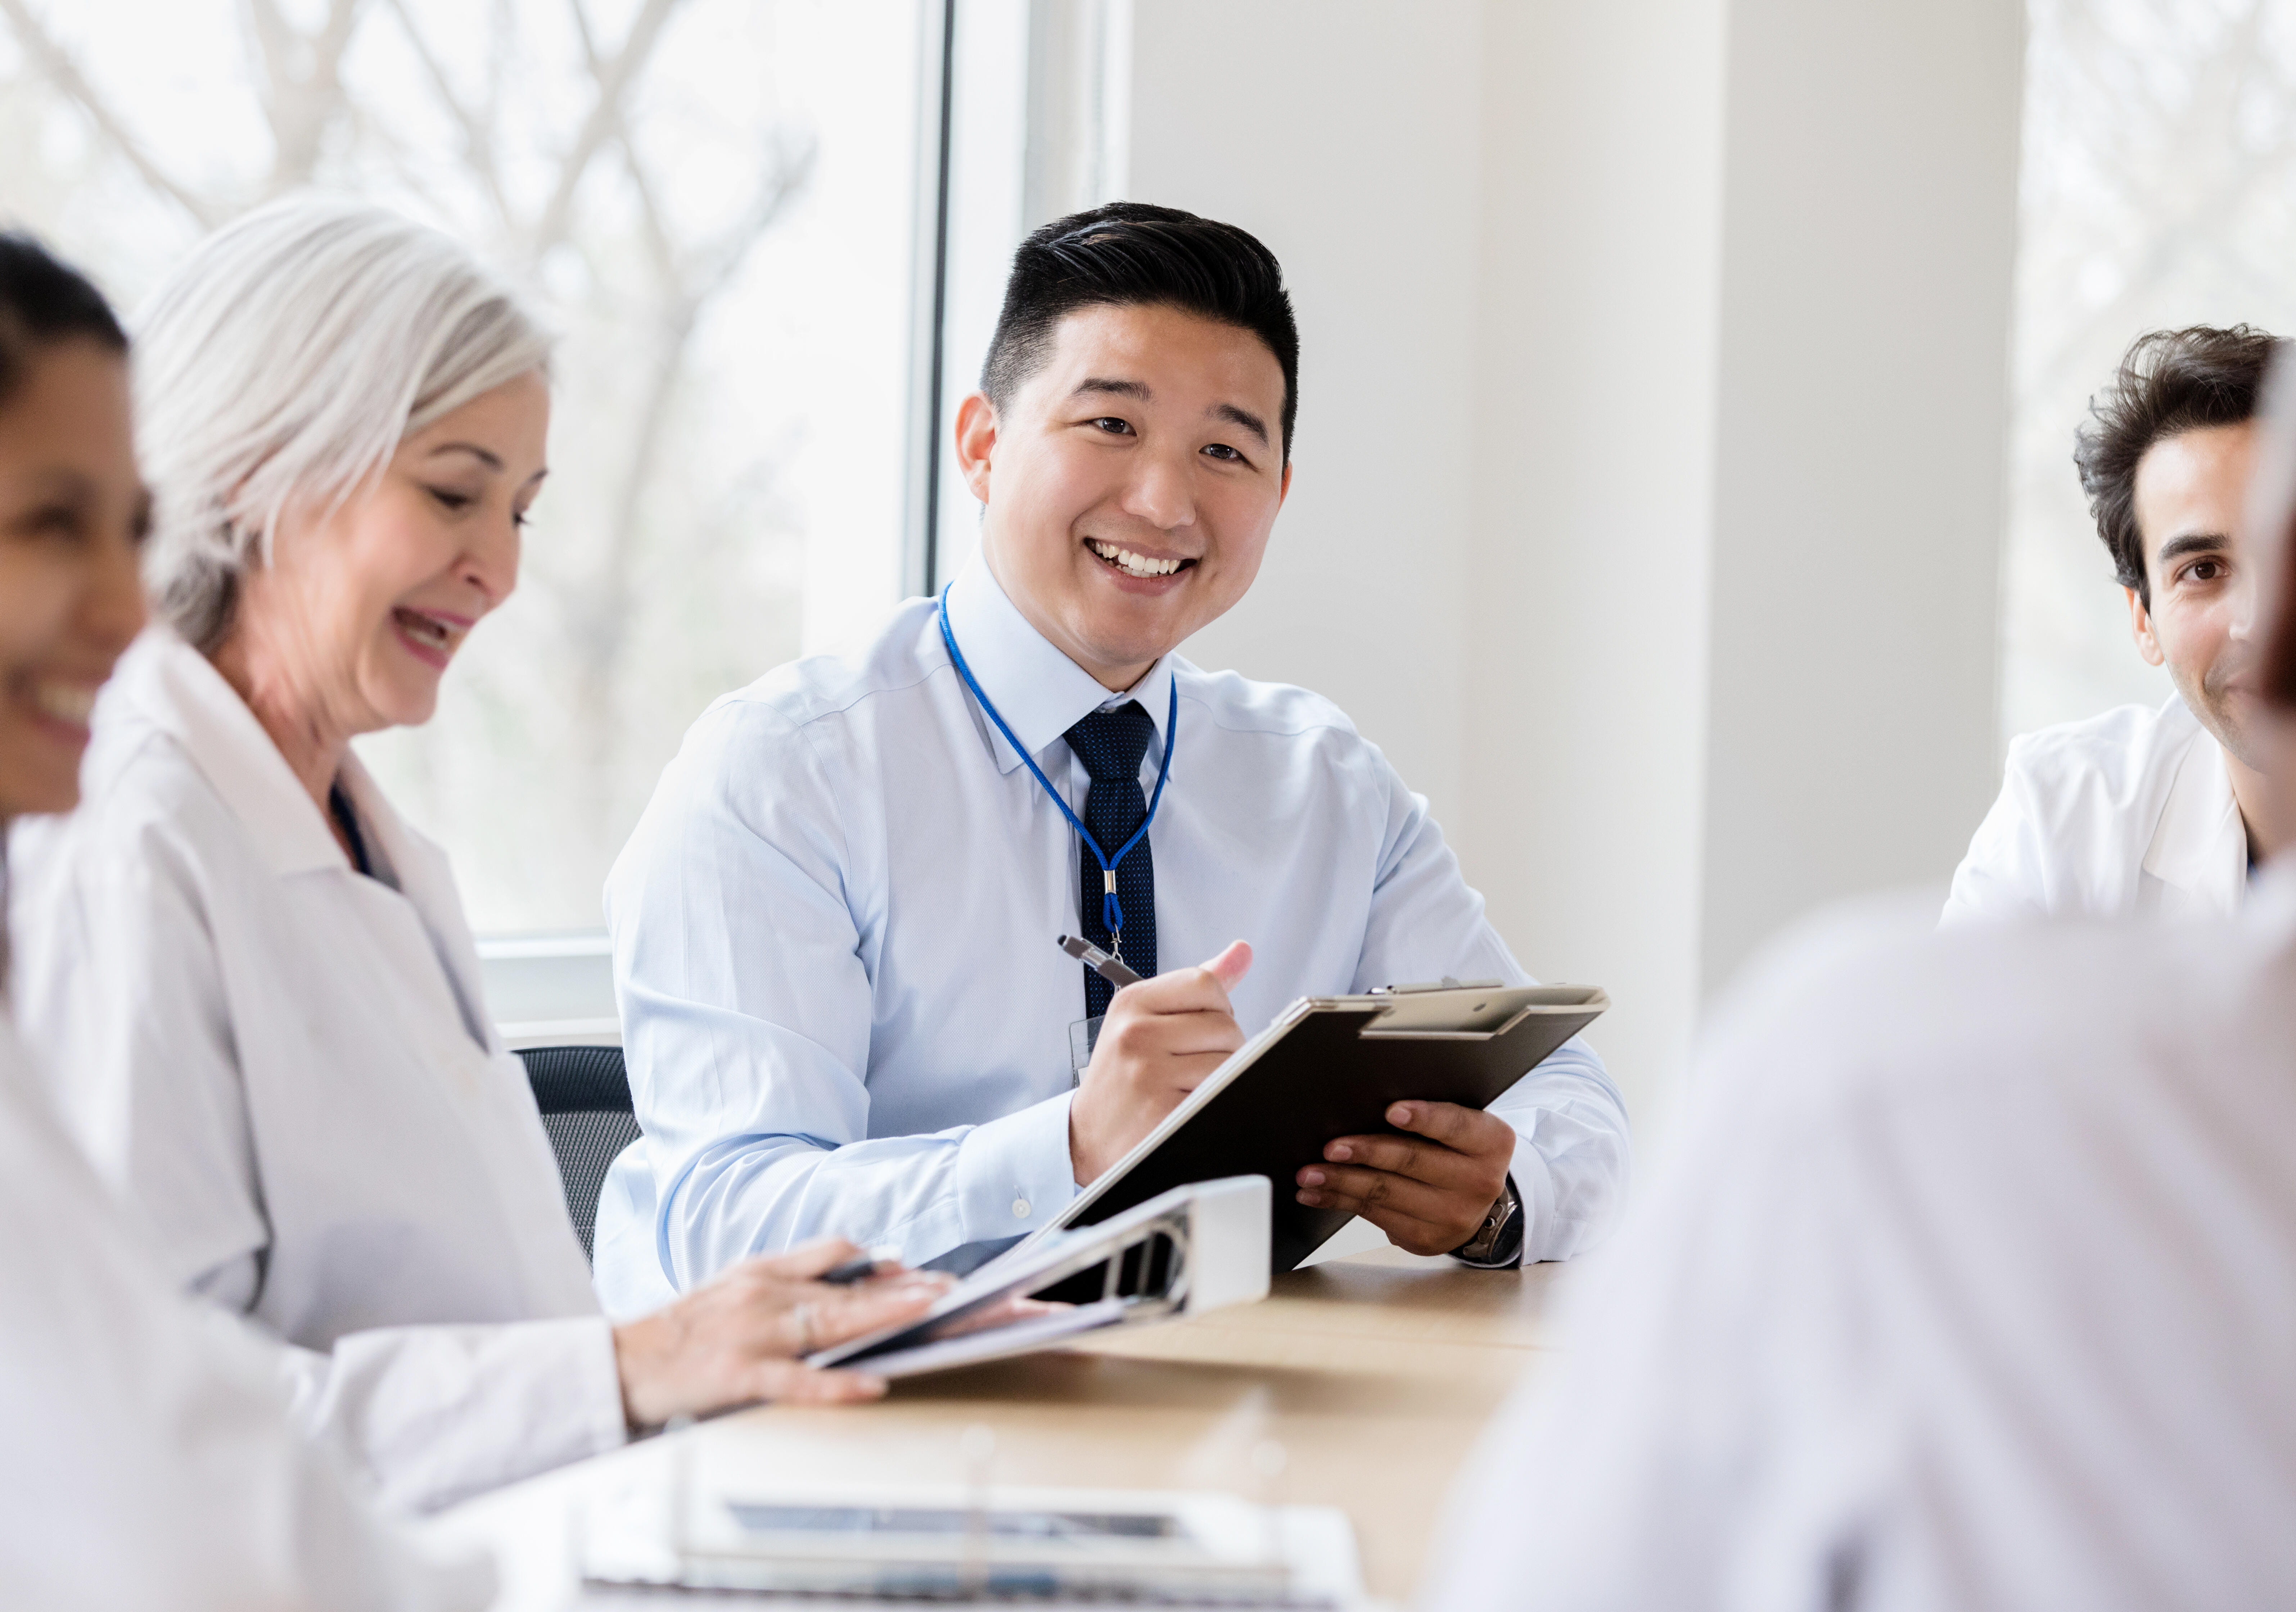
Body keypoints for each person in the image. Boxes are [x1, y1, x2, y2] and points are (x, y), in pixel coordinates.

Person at [1425, 254, 2296, 1608]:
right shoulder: (2074, 805)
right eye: (2197, 568)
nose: (2242, 617)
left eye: (2274, 557)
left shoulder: (1860, 1067)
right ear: (2140, 619)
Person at [10, 200, 947, 1517]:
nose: (499, 568)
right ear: (256, 467)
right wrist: (627, 1369)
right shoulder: (129, 842)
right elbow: (151, 1422)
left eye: (523, 510)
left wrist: (663, 1373)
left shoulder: (355, 824)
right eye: (453, 493)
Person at [592, 203, 1629, 1310]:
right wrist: (1070, 1147)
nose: (1164, 502)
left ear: (1277, 497)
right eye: (1110, 427)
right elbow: (724, 1226)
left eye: (1226, 451)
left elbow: (1574, 1103)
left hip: (1212, 1412)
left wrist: (1496, 1199)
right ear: (983, 446)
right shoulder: (785, 773)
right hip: (846, 1431)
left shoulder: (1323, 785)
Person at [0, 229, 488, 1609]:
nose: (121, 605)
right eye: (51, 525)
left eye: (132, 532)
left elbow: (184, 1435)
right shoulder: (133, 844)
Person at [1945, 325, 2290, 922]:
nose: (2259, 619)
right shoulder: (2063, 818)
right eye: (2203, 570)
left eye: (2295, 553)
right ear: (2145, 621)